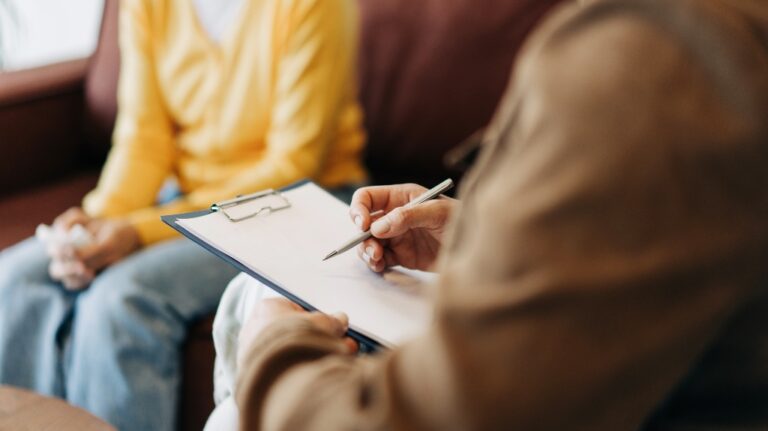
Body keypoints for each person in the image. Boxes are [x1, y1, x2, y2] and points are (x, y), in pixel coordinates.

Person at [233, 0, 768, 429]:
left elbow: (444, 416)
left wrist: (275, 358)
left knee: (250, 303)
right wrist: (484, 234)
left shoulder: (653, 59)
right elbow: (666, 235)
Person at [0, 0, 366, 429]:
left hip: (292, 203)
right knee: (16, 278)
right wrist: (97, 219)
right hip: (189, 198)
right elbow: (144, 137)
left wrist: (138, 230)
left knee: (119, 302)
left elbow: (292, 164)